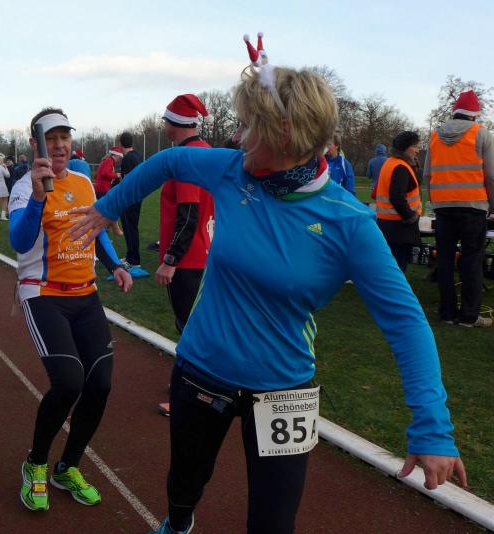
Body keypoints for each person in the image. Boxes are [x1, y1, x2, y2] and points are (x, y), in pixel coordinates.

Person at [69, 34, 466, 534]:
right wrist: (107, 208)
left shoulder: (349, 223)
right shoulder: (232, 171)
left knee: (274, 522)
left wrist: (432, 426)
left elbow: (406, 323)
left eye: (248, 128)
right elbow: (169, 162)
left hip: (284, 388)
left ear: (284, 137)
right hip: (202, 368)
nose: (237, 138)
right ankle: (179, 523)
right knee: (184, 485)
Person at [9, 107, 133, 513]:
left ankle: (68, 467)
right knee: (68, 382)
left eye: (64, 137)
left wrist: (115, 265)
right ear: (36, 144)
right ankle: (36, 464)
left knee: (100, 385)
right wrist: (38, 197)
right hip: (43, 294)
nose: (60, 145)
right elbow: (19, 242)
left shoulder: (82, 181)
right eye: (51, 138)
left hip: (86, 294)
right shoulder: (25, 187)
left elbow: (95, 229)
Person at [155, 94, 215, 417]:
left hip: (189, 260)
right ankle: (189, 387)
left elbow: (188, 214)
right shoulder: (207, 151)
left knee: (191, 331)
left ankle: (190, 395)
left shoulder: (186, 158)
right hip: (206, 254)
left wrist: (171, 260)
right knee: (198, 327)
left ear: (172, 124)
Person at [424, 90, 494, 328]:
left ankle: (447, 313)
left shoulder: (435, 136)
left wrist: (436, 201)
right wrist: (492, 205)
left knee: (444, 260)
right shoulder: (482, 134)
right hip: (473, 207)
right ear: (474, 115)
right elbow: (491, 176)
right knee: (472, 261)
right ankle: (469, 316)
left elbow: (427, 175)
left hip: (443, 208)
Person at [374, 131, 422, 272]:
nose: (418, 150)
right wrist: (411, 217)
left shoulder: (390, 162)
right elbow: (396, 197)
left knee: (389, 266)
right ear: (406, 148)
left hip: (387, 224)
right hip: (399, 227)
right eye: (415, 146)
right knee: (398, 267)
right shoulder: (401, 167)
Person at [118, 132, 144, 268]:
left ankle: (134, 260)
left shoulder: (128, 158)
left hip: (130, 198)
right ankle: (131, 256)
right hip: (137, 196)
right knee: (132, 228)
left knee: (130, 228)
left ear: (120, 144)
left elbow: (127, 181)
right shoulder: (137, 155)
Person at [93, 146, 124, 235]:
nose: (119, 160)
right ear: (116, 156)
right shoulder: (109, 161)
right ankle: (105, 228)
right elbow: (105, 173)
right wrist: (115, 175)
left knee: (103, 209)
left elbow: (97, 175)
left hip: (101, 188)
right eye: (119, 157)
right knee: (107, 209)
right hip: (103, 189)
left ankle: (104, 228)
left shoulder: (106, 161)